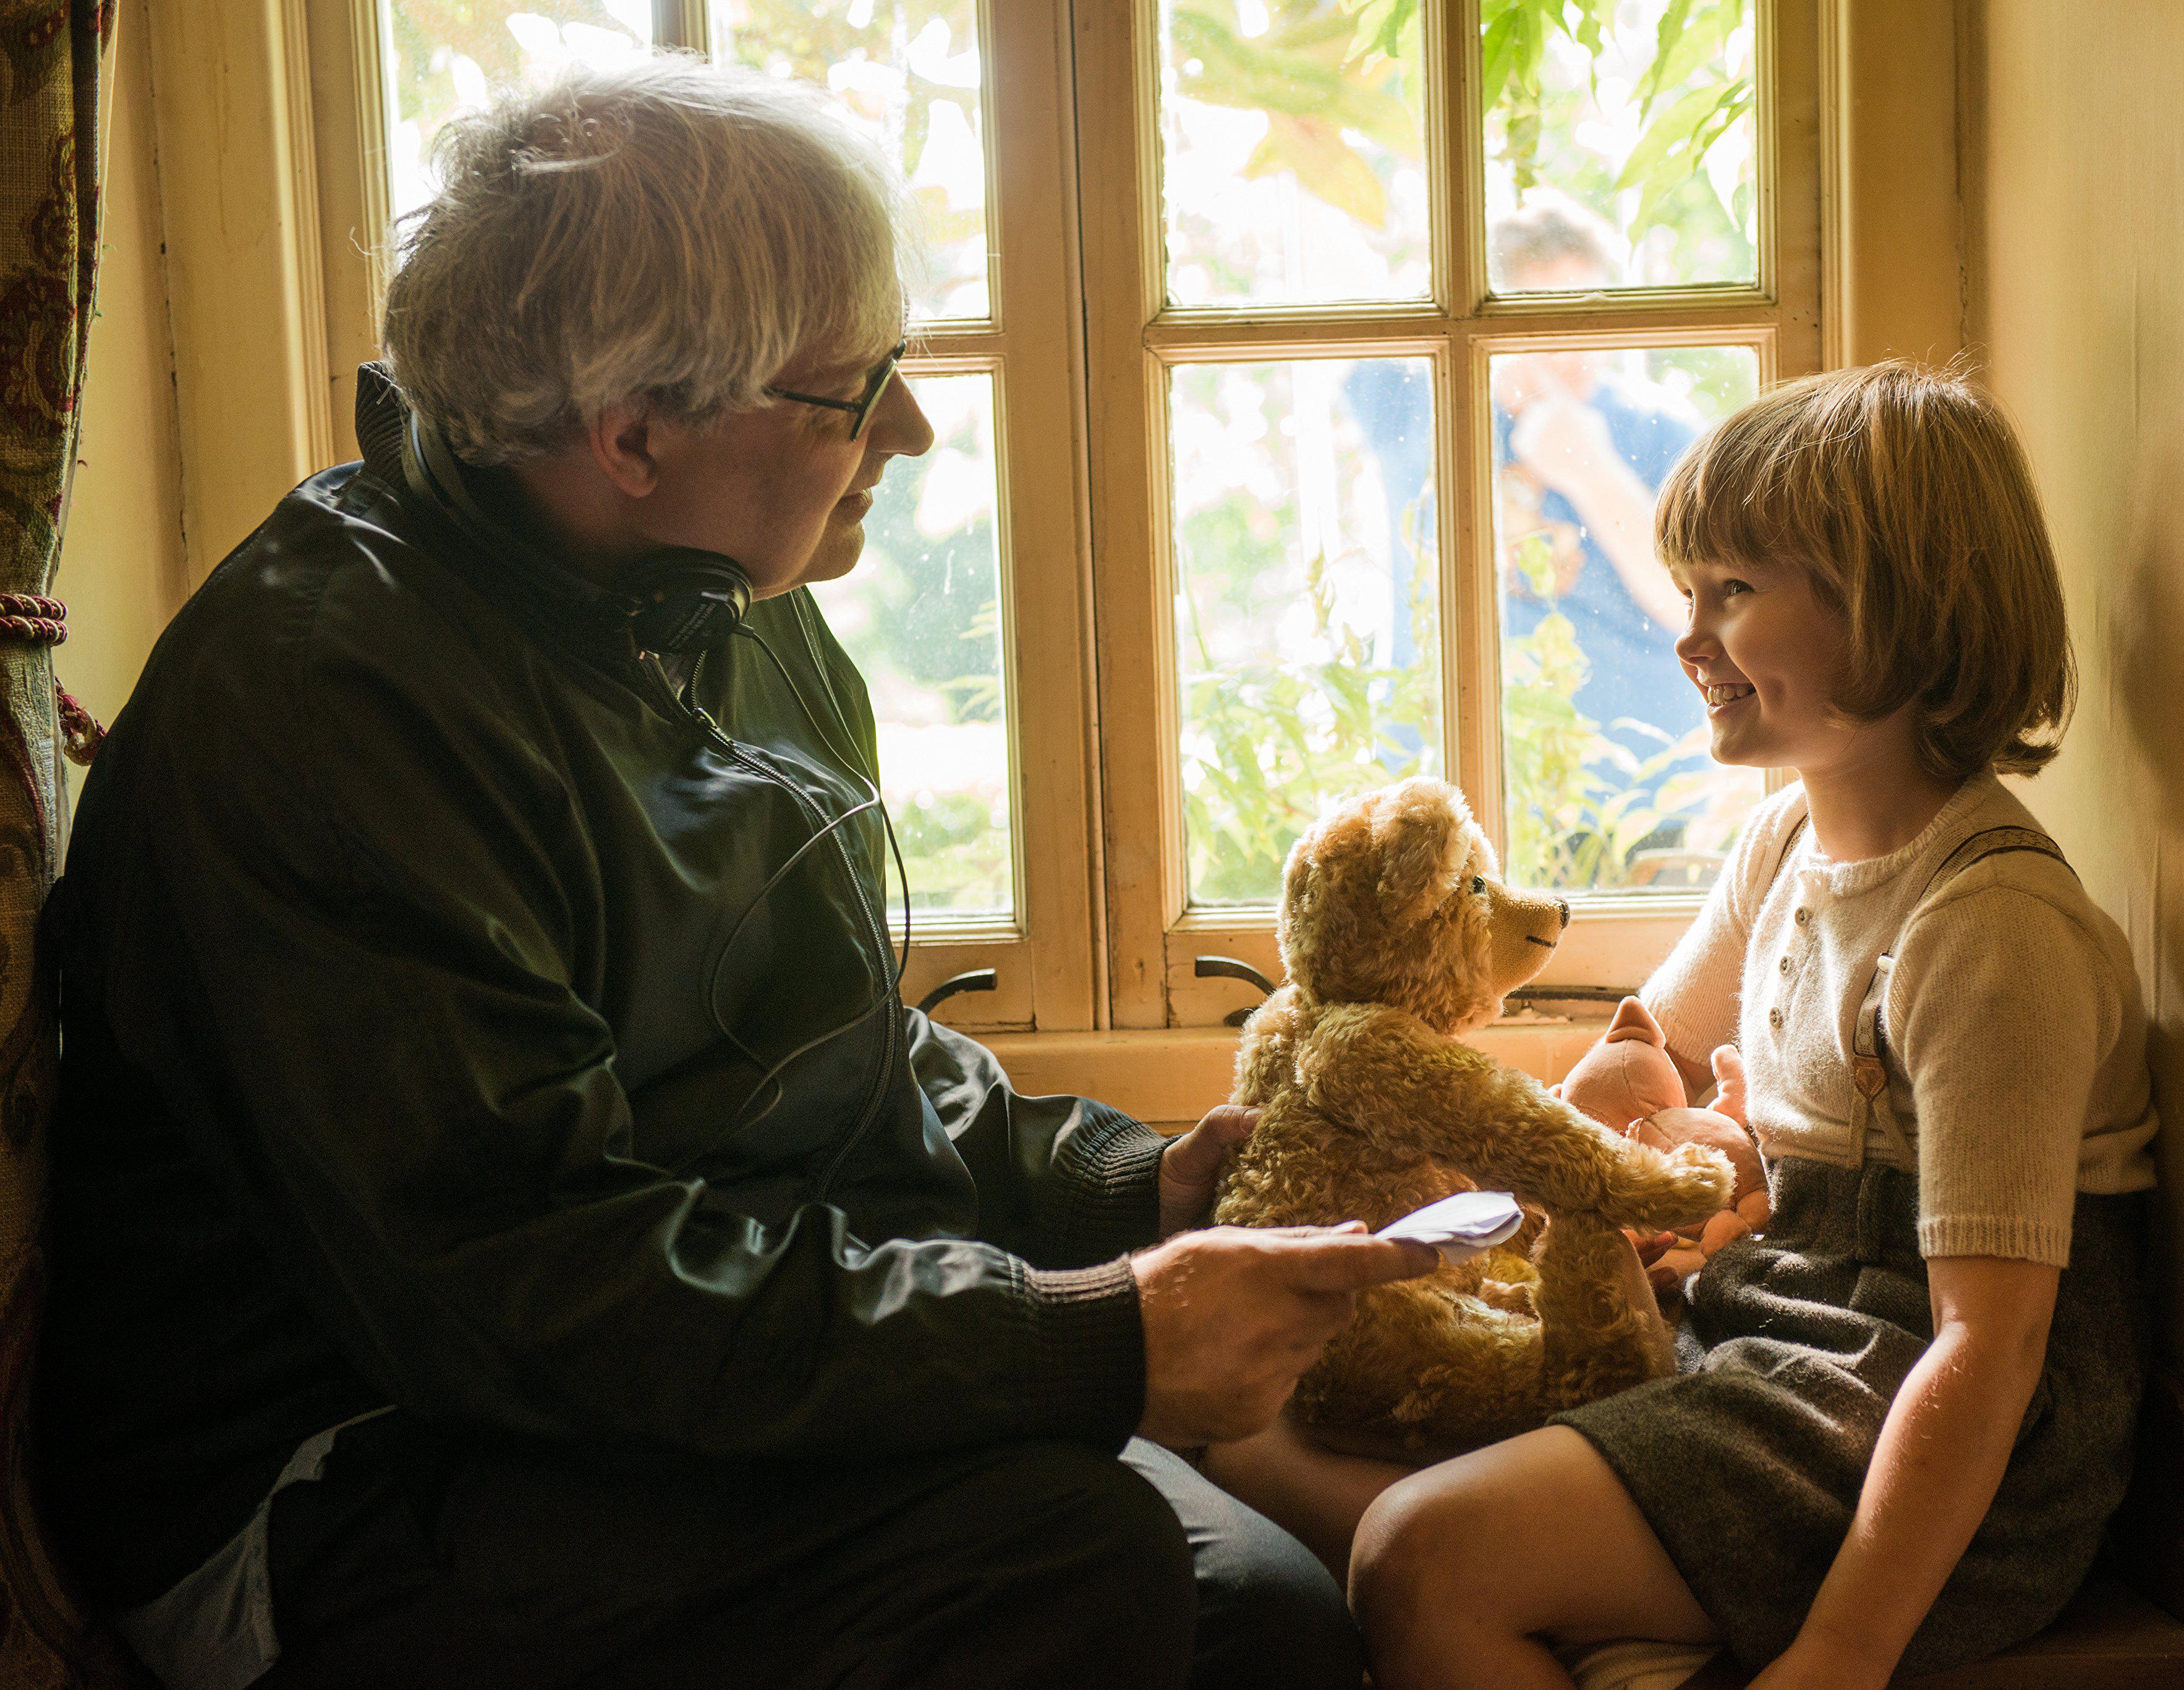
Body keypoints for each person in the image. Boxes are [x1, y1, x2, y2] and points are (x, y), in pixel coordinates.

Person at [35, 59, 1437, 1690]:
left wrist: (1130, 1185)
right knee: (1075, 1567)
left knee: (1265, 1618)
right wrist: (1093, 1332)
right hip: (335, 1463)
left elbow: (824, 1048)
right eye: (854, 390)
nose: (908, 429)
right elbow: (538, 1288)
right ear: (631, 432)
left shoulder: (710, 598)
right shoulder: (331, 711)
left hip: (608, 1368)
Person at [1210, 361, 2161, 1688]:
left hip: (1912, 1423)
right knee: (1247, 1432)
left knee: (1420, 1556)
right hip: (1765, 1330)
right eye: (1688, 591)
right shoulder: (1784, 841)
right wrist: (1606, 1119)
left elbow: (1986, 1348)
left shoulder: (1988, 932)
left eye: (1732, 591)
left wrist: (1841, 1650)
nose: (1687, 636)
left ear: (1893, 605)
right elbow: (1641, 1040)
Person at [1348, 197, 1713, 878]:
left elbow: (1693, 604)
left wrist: (1590, 471)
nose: (1568, 346)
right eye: (1539, 316)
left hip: (1638, 801)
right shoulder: (1418, 401)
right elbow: (1348, 292)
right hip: (1448, 788)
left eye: (1586, 316)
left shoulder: (1660, 430)